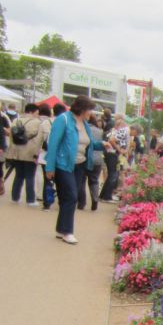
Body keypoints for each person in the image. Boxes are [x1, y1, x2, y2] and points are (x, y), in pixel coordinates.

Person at [44, 95, 107, 244]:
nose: (91, 113)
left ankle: (61, 229)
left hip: (79, 165)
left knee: (67, 198)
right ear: (82, 109)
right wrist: (50, 167)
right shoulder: (63, 119)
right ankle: (67, 231)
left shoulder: (84, 123)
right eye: (90, 110)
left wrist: (103, 144)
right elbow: (53, 144)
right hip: (64, 164)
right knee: (72, 196)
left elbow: (89, 143)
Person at [7, 103, 44, 205]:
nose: (37, 115)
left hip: (17, 152)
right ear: (32, 112)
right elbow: (40, 139)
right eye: (37, 113)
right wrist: (37, 153)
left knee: (18, 176)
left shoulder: (16, 121)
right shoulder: (38, 123)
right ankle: (30, 200)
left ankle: (15, 197)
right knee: (30, 176)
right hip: (30, 153)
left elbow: (11, 137)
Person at [78, 112, 104, 211]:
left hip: (85, 157)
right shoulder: (100, 131)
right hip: (98, 159)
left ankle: (81, 202)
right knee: (94, 180)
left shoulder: (83, 129)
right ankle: (95, 200)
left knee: (82, 180)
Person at [35, 105, 53, 202]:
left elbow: (38, 139)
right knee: (49, 175)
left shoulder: (39, 122)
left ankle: (39, 193)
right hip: (51, 151)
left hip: (41, 152)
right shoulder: (54, 121)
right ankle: (47, 195)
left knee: (39, 173)